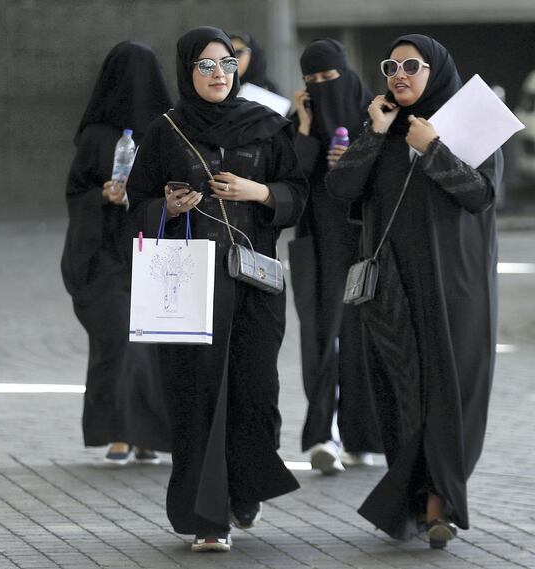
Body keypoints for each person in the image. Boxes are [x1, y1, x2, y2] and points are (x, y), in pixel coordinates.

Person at [127, 27, 307, 553]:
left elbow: (299, 194)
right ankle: (209, 518)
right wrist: (167, 208)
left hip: (254, 284)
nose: (218, 74)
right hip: (189, 287)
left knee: (256, 394)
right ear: (186, 70)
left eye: (226, 63)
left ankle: (244, 486)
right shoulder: (165, 132)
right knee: (198, 396)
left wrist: (261, 191)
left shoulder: (268, 125)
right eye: (205, 65)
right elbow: (135, 207)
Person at [326, 34, 501, 549]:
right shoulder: (379, 126)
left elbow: (481, 194)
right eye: (390, 66)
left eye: (411, 65)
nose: (398, 74)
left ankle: (439, 502)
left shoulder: (472, 125)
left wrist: (431, 149)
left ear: (435, 70)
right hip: (391, 287)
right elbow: (341, 191)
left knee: (451, 390)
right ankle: (417, 497)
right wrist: (376, 136)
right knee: (405, 389)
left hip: (455, 286)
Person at [60, 41, 173, 465]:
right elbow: (76, 193)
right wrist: (102, 196)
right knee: (119, 339)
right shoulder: (96, 137)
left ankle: (146, 436)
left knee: (149, 345)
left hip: (153, 254)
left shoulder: (168, 132)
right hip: (104, 253)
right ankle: (118, 432)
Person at [289, 39, 382, 475]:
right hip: (318, 247)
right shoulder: (299, 121)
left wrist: (357, 161)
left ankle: (361, 436)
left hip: (365, 247)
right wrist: (306, 127)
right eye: (312, 81)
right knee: (320, 338)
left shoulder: (376, 117)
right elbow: (289, 178)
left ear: (346, 74)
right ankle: (322, 434)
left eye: (330, 78)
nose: (323, 88)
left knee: (363, 340)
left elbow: (389, 181)